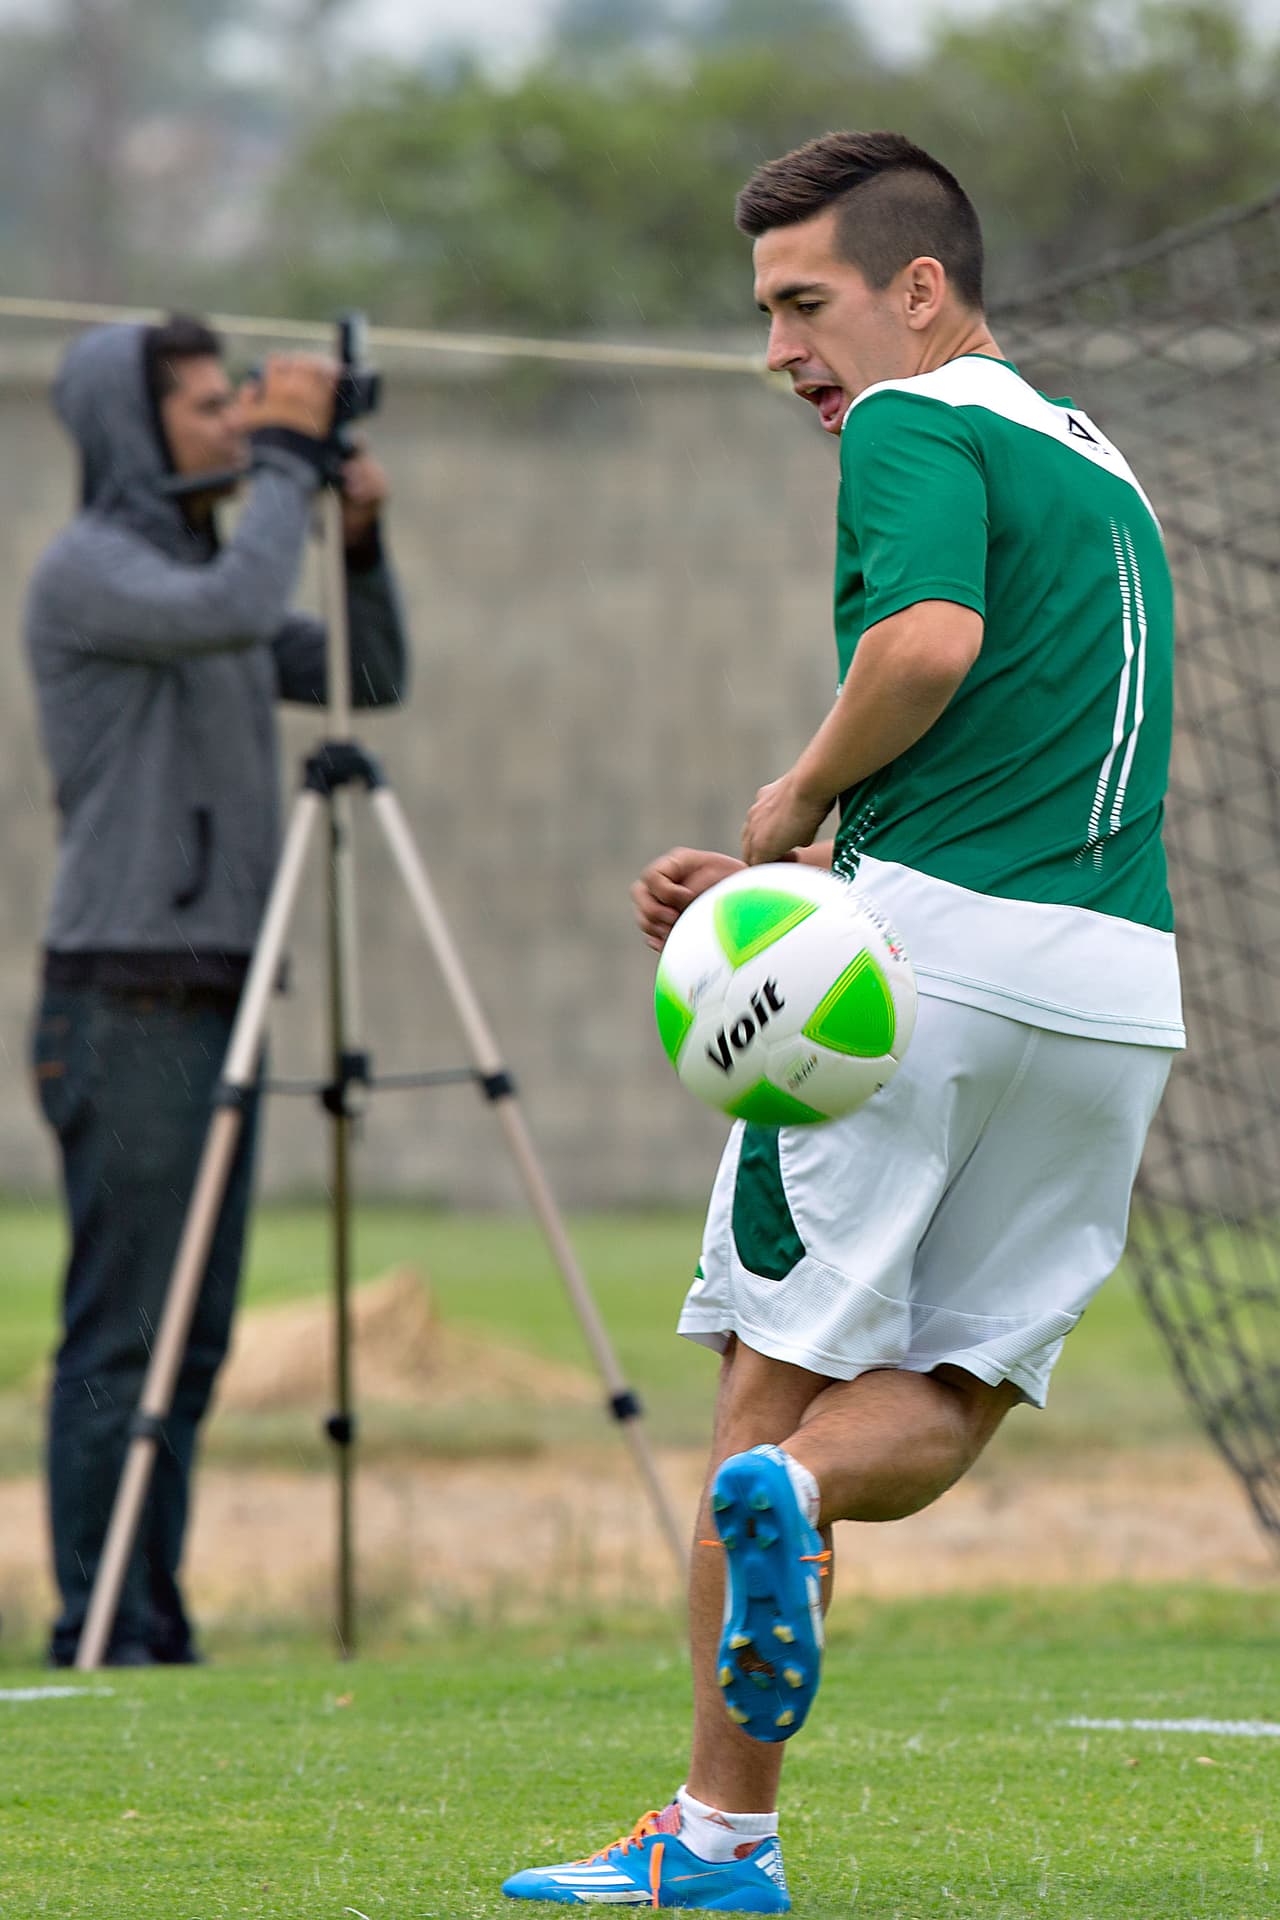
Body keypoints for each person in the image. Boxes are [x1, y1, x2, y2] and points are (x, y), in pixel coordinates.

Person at [503, 131, 1183, 1909]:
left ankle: (718, 1842)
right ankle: (808, 1508)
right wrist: (765, 890)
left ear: (920, 289)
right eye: (765, 311)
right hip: (1116, 993)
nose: (782, 347)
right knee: (953, 1388)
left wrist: (792, 802)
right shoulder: (1096, 460)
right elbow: (1013, 729)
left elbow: (930, 648)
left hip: (916, 977)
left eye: (805, 302)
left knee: (763, 1386)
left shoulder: (910, 420)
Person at [26, 314, 409, 1668]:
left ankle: (154, 1617)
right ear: (136, 429)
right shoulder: (97, 573)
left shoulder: (208, 572)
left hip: (211, 995)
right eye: (206, 406)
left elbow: (368, 680)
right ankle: (100, 1622)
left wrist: (355, 544)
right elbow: (239, 611)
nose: (234, 427)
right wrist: (297, 461)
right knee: (126, 1335)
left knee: (188, 1343)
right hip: (125, 998)